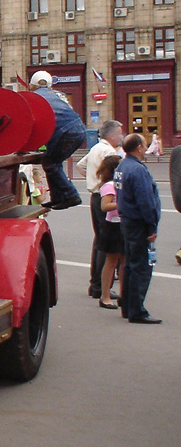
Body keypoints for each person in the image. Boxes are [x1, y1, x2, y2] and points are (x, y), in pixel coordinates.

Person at [115, 133, 161, 324]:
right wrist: (152, 226)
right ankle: (136, 311)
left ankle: (127, 305)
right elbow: (146, 201)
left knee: (130, 266)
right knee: (141, 268)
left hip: (127, 221)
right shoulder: (137, 170)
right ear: (139, 148)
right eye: (144, 143)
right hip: (138, 223)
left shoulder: (122, 166)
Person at [76, 119, 123, 299]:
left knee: (99, 241)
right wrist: (105, 183)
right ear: (111, 135)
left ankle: (94, 283)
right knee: (107, 243)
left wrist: (93, 180)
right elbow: (117, 172)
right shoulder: (109, 151)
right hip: (107, 197)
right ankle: (101, 286)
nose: (121, 136)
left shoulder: (95, 148)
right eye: (119, 133)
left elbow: (81, 166)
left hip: (96, 196)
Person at [29, 70, 86, 210]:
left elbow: (30, 122)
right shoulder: (59, 95)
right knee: (53, 162)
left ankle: (71, 195)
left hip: (65, 132)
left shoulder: (33, 97)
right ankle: (57, 197)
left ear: (32, 85)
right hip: (79, 129)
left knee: (50, 163)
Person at [95, 155, 124, 310]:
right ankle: (105, 295)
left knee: (125, 262)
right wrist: (122, 204)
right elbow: (105, 206)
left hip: (124, 224)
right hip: (113, 225)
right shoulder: (109, 185)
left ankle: (123, 295)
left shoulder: (122, 183)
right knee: (112, 261)